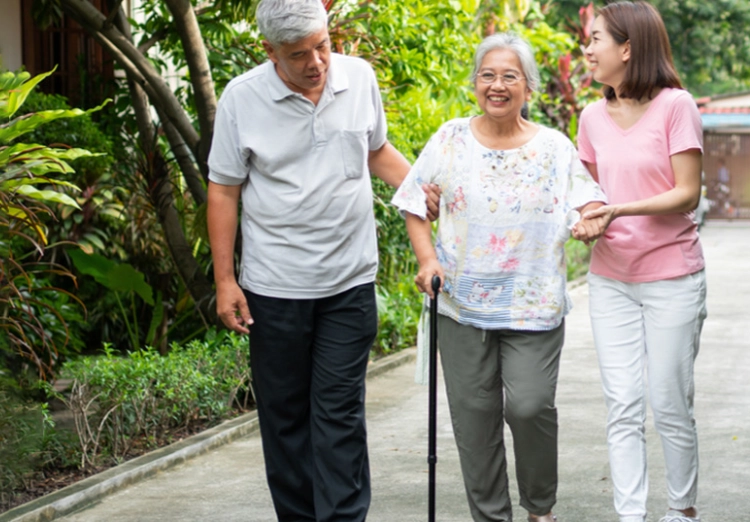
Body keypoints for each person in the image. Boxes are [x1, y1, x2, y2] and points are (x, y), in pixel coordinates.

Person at [206, 0, 439, 519]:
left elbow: (376, 150)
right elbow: (224, 189)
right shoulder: (242, 98)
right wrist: (225, 280)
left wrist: (421, 190)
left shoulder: (359, 79)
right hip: (274, 287)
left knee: (339, 416)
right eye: (299, 54)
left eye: (323, 46)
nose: (317, 62)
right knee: (285, 420)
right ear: (269, 52)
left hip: (348, 282)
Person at [393, 33, 607, 522]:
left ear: (528, 86)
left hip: (533, 304)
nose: (497, 85)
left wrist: (593, 217)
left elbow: (588, 197)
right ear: (474, 83)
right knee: (474, 420)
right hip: (462, 306)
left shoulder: (553, 147)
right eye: (487, 75)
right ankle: (491, 516)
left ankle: (539, 508)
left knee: (530, 407)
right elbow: (411, 201)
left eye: (510, 75)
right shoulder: (449, 139)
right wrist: (427, 260)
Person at [574, 2, 708, 522]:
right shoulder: (589, 116)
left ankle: (681, 511)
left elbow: (687, 193)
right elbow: (585, 193)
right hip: (611, 280)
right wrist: (585, 219)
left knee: (670, 402)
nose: (587, 49)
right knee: (622, 405)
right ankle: (630, 515)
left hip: (672, 276)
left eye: (596, 39)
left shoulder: (677, 106)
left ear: (627, 48)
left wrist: (618, 210)